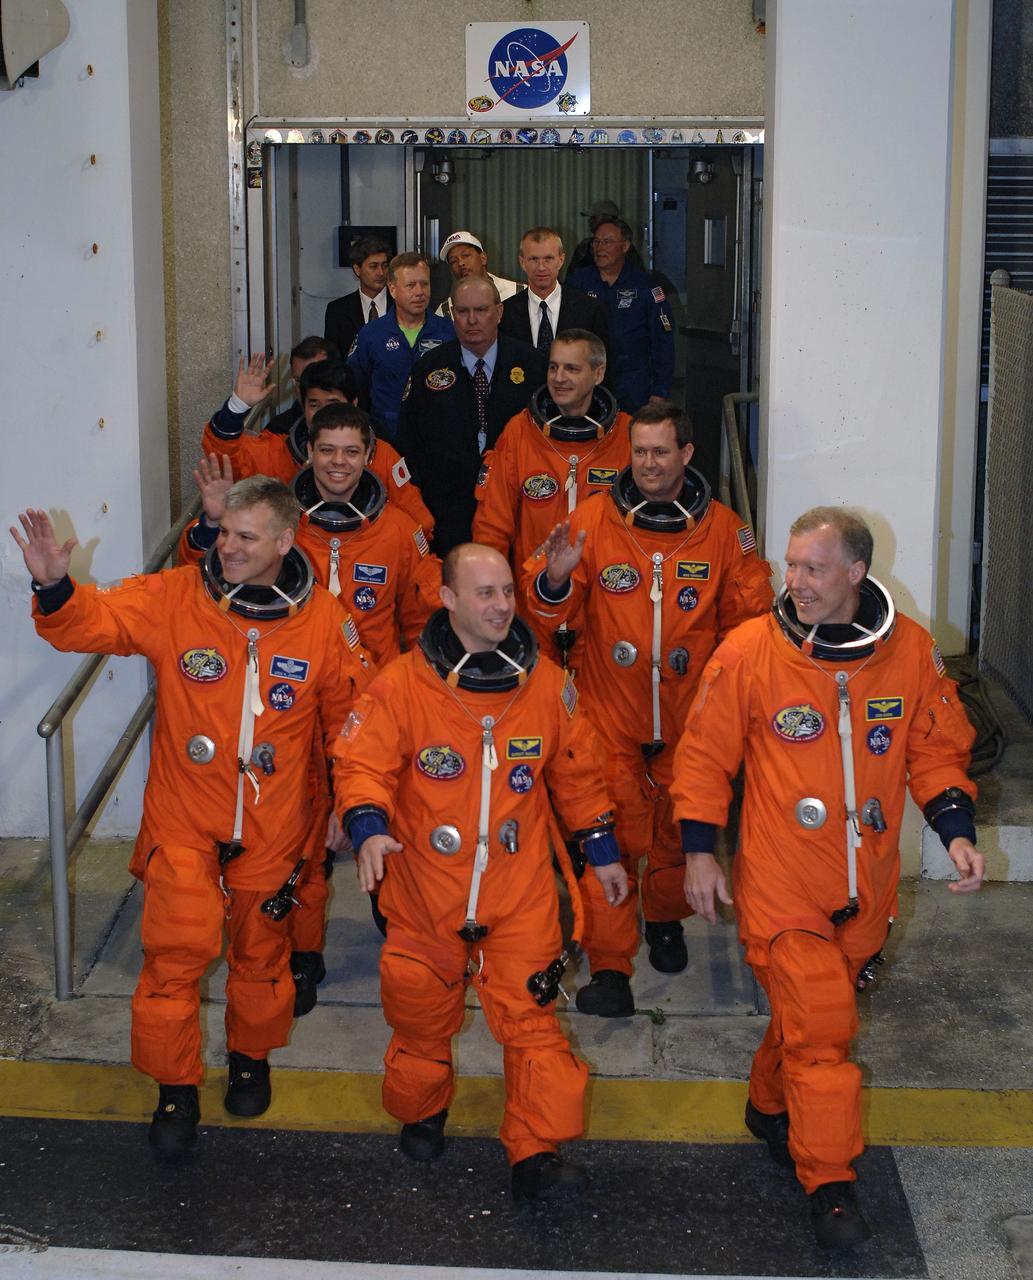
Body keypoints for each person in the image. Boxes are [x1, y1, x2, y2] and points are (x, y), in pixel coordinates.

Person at [12, 479, 369, 1159]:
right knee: (173, 959)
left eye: (243, 537)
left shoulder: (325, 621)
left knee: (261, 958)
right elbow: (94, 622)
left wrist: (344, 808)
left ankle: (249, 1059)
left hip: (275, 824)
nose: (226, 547)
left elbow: (352, 726)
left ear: (284, 543)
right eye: (223, 532)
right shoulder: (178, 595)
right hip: (185, 816)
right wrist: (55, 588)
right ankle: (175, 1089)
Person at [671, 507, 984, 1251]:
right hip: (782, 881)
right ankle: (830, 1181)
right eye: (789, 565)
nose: (796, 582)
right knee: (822, 1033)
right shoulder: (750, 651)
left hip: (865, 889)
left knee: (810, 1019)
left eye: (812, 569)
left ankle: (766, 1104)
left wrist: (955, 830)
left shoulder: (906, 651)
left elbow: (935, 751)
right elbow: (703, 757)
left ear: (854, 574)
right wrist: (698, 851)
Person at [333, 542, 629, 1203]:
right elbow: (361, 765)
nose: (501, 606)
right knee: (419, 1014)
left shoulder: (547, 684)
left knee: (531, 1022)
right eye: (484, 593)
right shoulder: (402, 685)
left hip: (517, 891)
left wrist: (601, 851)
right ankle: (423, 1108)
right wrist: (367, 828)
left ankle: (534, 1151)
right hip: (424, 890)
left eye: (506, 592)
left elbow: (579, 771)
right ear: (447, 599)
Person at [524, 402, 773, 1016]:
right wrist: (554, 581)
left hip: (692, 721)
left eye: (662, 452)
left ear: (687, 454)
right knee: (608, 836)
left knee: (673, 837)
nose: (649, 464)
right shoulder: (592, 520)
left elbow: (750, 625)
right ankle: (610, 966)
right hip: (609, 716)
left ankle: (664, 919)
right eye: (639, 452)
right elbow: (542, 614)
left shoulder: (722, 530)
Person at [199, 356, 433, 535]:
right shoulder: (276, 452)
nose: (324, 413)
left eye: (333, 403)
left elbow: (418, 523)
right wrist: (236, 407)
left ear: (353, 403)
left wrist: (381, 545)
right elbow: (223, 460)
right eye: (314, 404)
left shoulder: (382, 457)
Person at [396, 276, 544, 556]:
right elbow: (409, 441)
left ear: (499, 313)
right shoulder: (429, 368)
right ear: (452, 314)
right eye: (462, 312)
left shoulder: (532, 365)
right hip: (447, 510)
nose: (471, 320)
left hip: (516, 506)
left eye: (481, 310)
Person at [472, 329, 632, 579]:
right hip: (533, 596)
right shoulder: (521, 431)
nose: (559, 378)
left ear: (598, 373)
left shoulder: (627, 436)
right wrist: (488, 586)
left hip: (601, 598)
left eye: (572, 369)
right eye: (553, 367)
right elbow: (492, 524)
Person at [567, 217, 675, 415]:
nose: (599, 248)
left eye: (607, 242)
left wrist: (660, 391)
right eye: (596, 242)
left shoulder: (645, 285)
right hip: (588, 381)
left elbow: (663, 341)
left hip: (633, 384)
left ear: (625, 246)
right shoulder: (579, 281)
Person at [347, 252, 453, 440]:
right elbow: (354, 387)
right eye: (411, 285)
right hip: (386, 441)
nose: (420, 292)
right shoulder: (371, 335)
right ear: (393, 289)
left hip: (438, 439)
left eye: (425, 284)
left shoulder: (449, 332)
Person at [500, 227, 610, 364]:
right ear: (522, 262)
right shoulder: (505, 312)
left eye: (548, 259)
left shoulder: (589, 310)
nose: (541, 267)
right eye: (534, 259)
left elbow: (602, 363)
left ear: (561, 260)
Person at [324, 235, 392, 360]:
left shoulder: (401, 305)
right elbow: (333, 362)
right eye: (373, 266)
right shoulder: (337, 310)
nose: (381, 272)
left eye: (384, 265)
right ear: (357, 269)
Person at [435, 230, 522, 319]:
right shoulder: (445, 312)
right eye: (453, 261)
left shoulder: (517, 293)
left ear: (483, 258)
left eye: (466, 255)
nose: (460, 263)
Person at [266, 335, 338, 436]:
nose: (306, 387)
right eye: (299, 380)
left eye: (314, 379)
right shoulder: (279, 429)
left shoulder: (360, 425)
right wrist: (240, 407)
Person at [567, 199, 646, 276]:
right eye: (596, 242)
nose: (590, 221)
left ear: (608, 218)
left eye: (594, 217)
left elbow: (638, 277)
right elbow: (571, 276)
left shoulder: (624, 248)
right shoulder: (584, 247)